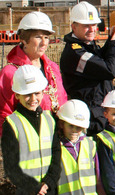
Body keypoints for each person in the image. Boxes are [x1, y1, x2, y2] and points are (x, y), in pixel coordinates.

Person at [60, 1, 115, 136]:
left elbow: (99, 60)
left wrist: (110, 41)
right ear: (74, 26)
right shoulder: (75, 53)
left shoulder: (87, 45)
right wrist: (114, 46)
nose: (92, 29)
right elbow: (109, 70)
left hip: (99, 114)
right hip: (90, 120)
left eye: (94, 25)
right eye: (86, 26)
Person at [0, 11, 68, 137]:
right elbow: (4, 114)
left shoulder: (53, 68)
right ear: (24, 39)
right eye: (38, 37)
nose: (44, 42)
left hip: (56, 140)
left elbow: (62, 99)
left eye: (46, 37)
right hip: (28, 141)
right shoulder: (10, 73)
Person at [1, 65, 61, 195]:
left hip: (49, 189)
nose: (33, 99)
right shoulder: (11, 123)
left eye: (37, 93)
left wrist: (49, 181)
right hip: (26, 190)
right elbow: (11, 166)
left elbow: (56, 153)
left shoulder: (49, 119)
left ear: (42, 92)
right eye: (27, 94)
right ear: (17, 95)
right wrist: (33, 187)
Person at [56, 99, 106, 195]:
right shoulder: (57, 147)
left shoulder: (90, 144)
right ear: (62, 124)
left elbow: (98, 174)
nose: (74, 130)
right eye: (71, 126)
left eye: (78, 127)